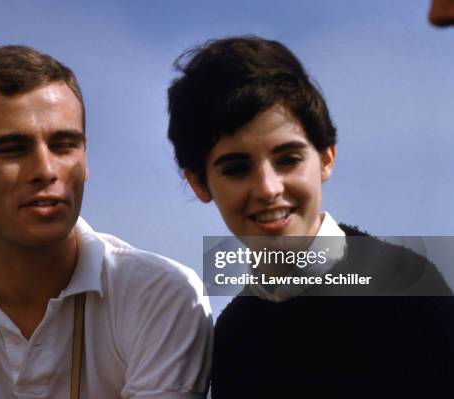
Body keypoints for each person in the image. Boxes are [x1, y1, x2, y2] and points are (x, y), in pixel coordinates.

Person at [0, 45, 213, 399]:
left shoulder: (163, 295)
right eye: (12, 149)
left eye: (64, 146)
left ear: (86, 158)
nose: (45, 170)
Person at [167, 36, 454, 397]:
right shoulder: (232, 338)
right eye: (237, 168)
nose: (268, 188)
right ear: (199, 183)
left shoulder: (409, 291)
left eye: (288, 159)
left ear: (327, 158)